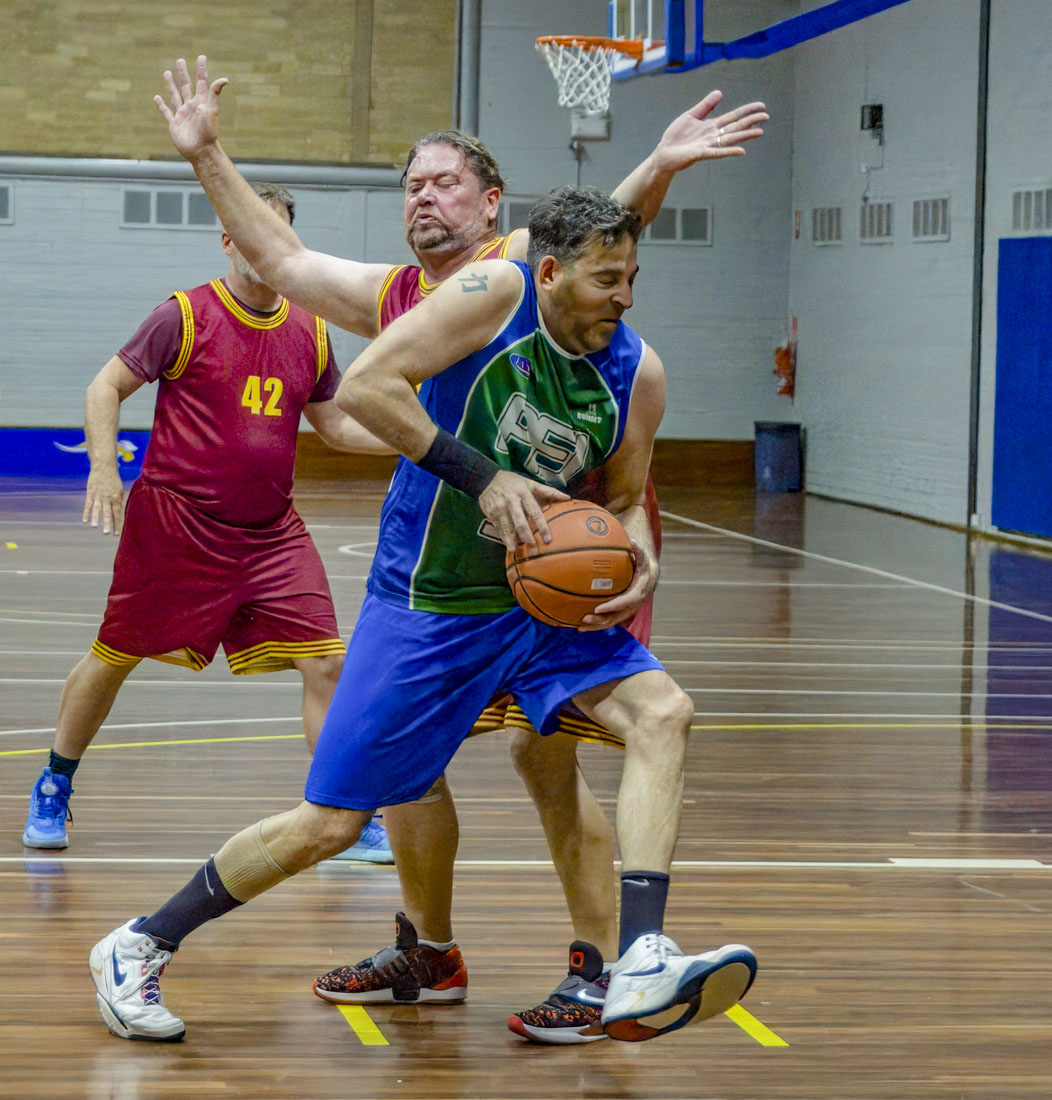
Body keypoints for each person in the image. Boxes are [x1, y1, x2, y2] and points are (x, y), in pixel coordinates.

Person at [150, 56, 768, 1043]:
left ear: (493, 209)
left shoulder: (537, 274)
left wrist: (658, 166)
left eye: (443, 180)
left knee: (545, 751)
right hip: (441, 576)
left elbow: (603, 231)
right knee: (405, 771)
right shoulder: (404, 296)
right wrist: (207, 154)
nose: (421, 196)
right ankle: (427, 947)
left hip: (555, 562)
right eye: (409, 185)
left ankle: (607, 965)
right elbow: (284, 263)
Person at [20, 181, 394, 861]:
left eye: (276, 235)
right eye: (250, 234)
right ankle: (53, 780)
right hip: (177, 527)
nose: (263, 247)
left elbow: (335, 423)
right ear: (228, 240)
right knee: (115, 657)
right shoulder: (184, 316)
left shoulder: (309, 329)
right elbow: (104, 386)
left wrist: (418, 441)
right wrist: (104, 467)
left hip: (270, 531)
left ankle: (346, 809)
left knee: (329, 665)